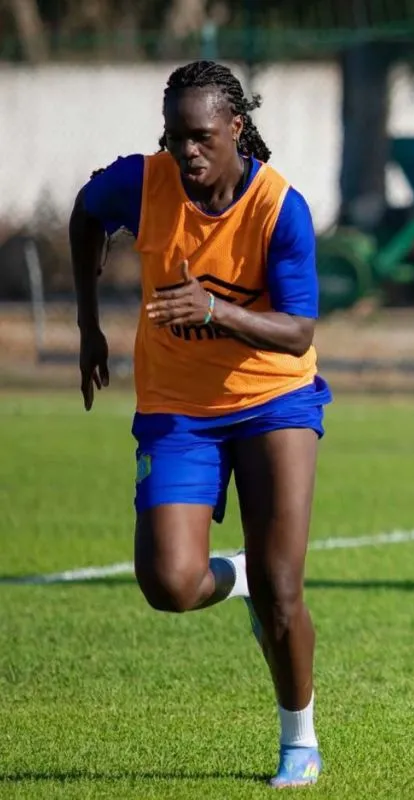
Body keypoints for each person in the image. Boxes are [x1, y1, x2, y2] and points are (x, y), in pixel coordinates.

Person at [70, 59, 329, 789]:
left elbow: (298, 331)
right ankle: (239, 575)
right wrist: (89, 326)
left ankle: (299, 742)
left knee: (285, 592)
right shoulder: (142, 183)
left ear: (236, 128)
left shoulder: (280, 208)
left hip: (274, 401)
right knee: (170, 583)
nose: (186, 152)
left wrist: (215, 310)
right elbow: (86, 214)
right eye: (174, 136)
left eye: (201, 137)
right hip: (177, 409)